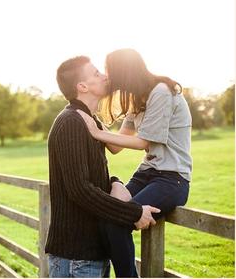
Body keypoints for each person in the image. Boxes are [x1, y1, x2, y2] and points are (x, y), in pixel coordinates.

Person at [77, 48, 192, 277]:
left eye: (109, 70)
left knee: (117, 222)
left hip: (172, 179)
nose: (107, 77)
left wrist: (97, 133)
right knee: (108, 218)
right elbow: (117, 145)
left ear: (124, 71)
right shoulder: (137, 99)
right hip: (147, 174)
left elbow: (142, 142)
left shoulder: (161, 92)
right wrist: (90, 115)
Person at [45, 55, 160, 278]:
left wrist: (114, 182)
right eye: (97, 73)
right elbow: (79, 189)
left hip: (89, 255)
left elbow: (88, 176)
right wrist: (134, 212)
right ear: (83, 86)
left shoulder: (88, 120)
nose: (105, 76)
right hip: (76, 259)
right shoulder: (71, 122)